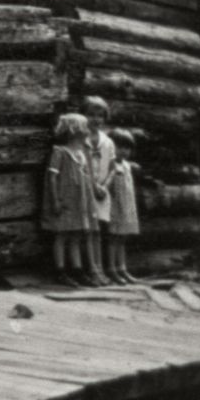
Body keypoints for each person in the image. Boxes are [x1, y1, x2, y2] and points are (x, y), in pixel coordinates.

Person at [42, 112, 94, 281]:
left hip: (78, 202)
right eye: (83, 127)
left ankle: (77, 270)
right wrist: (55, 200)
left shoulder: (82, 153)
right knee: (61, 234)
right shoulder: (60, 152)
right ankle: (60, 270)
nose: (87, 130)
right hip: (64, 200)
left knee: (76, 235)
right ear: (73, 130)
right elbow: (52, 177)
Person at [81, 95, 120, 284]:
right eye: (91, 115)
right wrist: (93, 185)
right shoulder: (80, 139)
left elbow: (112, 168)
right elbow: (80, 167)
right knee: (88, 230)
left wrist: (104, 186)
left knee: (99, 231)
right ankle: (91, 269)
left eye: (100, 116)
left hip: (102, 193)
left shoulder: (108, 142)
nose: (95, 119)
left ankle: (99, 268)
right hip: (84, 190)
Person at [104, 128, 143, 283]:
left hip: (127, 207)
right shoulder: (110, 164)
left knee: (122, 239)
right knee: (113, 238)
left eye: (127, 148)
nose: (124, 151)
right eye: (120, 147)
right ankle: (111, 269)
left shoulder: (127, 166)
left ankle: (122, 268)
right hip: (114, 207)